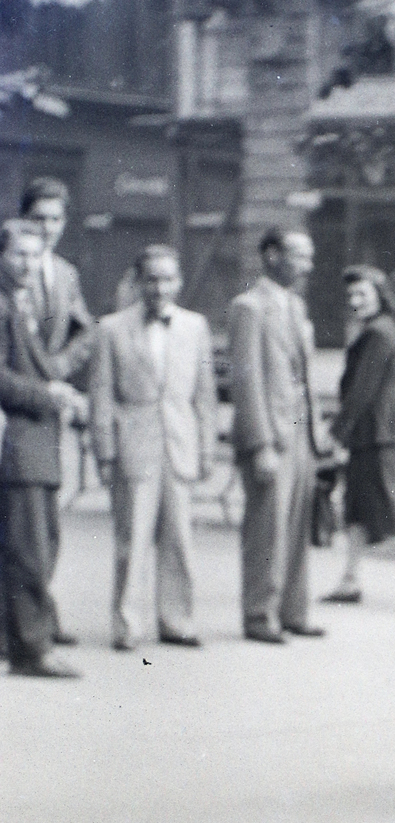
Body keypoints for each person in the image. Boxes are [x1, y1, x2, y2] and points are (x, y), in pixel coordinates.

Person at [89, 245, 217, 650]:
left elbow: (205, 396)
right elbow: (101, 395)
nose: (160, 287)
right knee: (132, 540)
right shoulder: (111, 328)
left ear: (178, 282)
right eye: (152, 279)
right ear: (139, 281)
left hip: (180, 443)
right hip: (133, 444)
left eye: (167, 279)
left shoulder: (195, 327)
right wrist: (105, 452)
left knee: (180, 538)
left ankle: (177, 620)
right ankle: (127, 625)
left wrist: (207, 450)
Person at [229, 229, 330, 644]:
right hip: (271, 434)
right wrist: (260, 444)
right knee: (266, 528)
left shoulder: (294, 305)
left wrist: (317, 436)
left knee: (296, 525)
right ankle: (259, 614)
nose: (307, 266)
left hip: (301, 433)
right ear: (271, 256)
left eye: (309, 257)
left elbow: (303, 375)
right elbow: (247, 379)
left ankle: (292, 611)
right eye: (298, 256)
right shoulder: (249, 308)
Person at [0, 218, 89, 678]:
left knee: (30, 544)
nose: (30, 264)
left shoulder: (20, 301)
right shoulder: (4, 304)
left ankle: (21, 641)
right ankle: (31, 649)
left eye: (36, 256)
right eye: (19, 254)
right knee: (30, 547)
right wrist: (50, 395)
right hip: (19, 443)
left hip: (30, 440)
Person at [322, 265, 395, 603]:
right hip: (374, 436)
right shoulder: (379, 329)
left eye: (363, 293)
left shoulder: (379, 333)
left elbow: (362, 391)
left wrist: (335, 432)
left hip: (378, 437)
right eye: (351, 295)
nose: (355, 300)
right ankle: (350, 580)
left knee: (393, 521)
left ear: (379, 294)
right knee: (358, 512)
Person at [19, 176, 95, 386]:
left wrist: (62, 364)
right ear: (23, 219)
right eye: (39, 218)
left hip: (52, 385)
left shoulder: (66, 273)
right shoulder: (7, 267)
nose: (48, 228)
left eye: (55, 219)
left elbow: (86, 331)